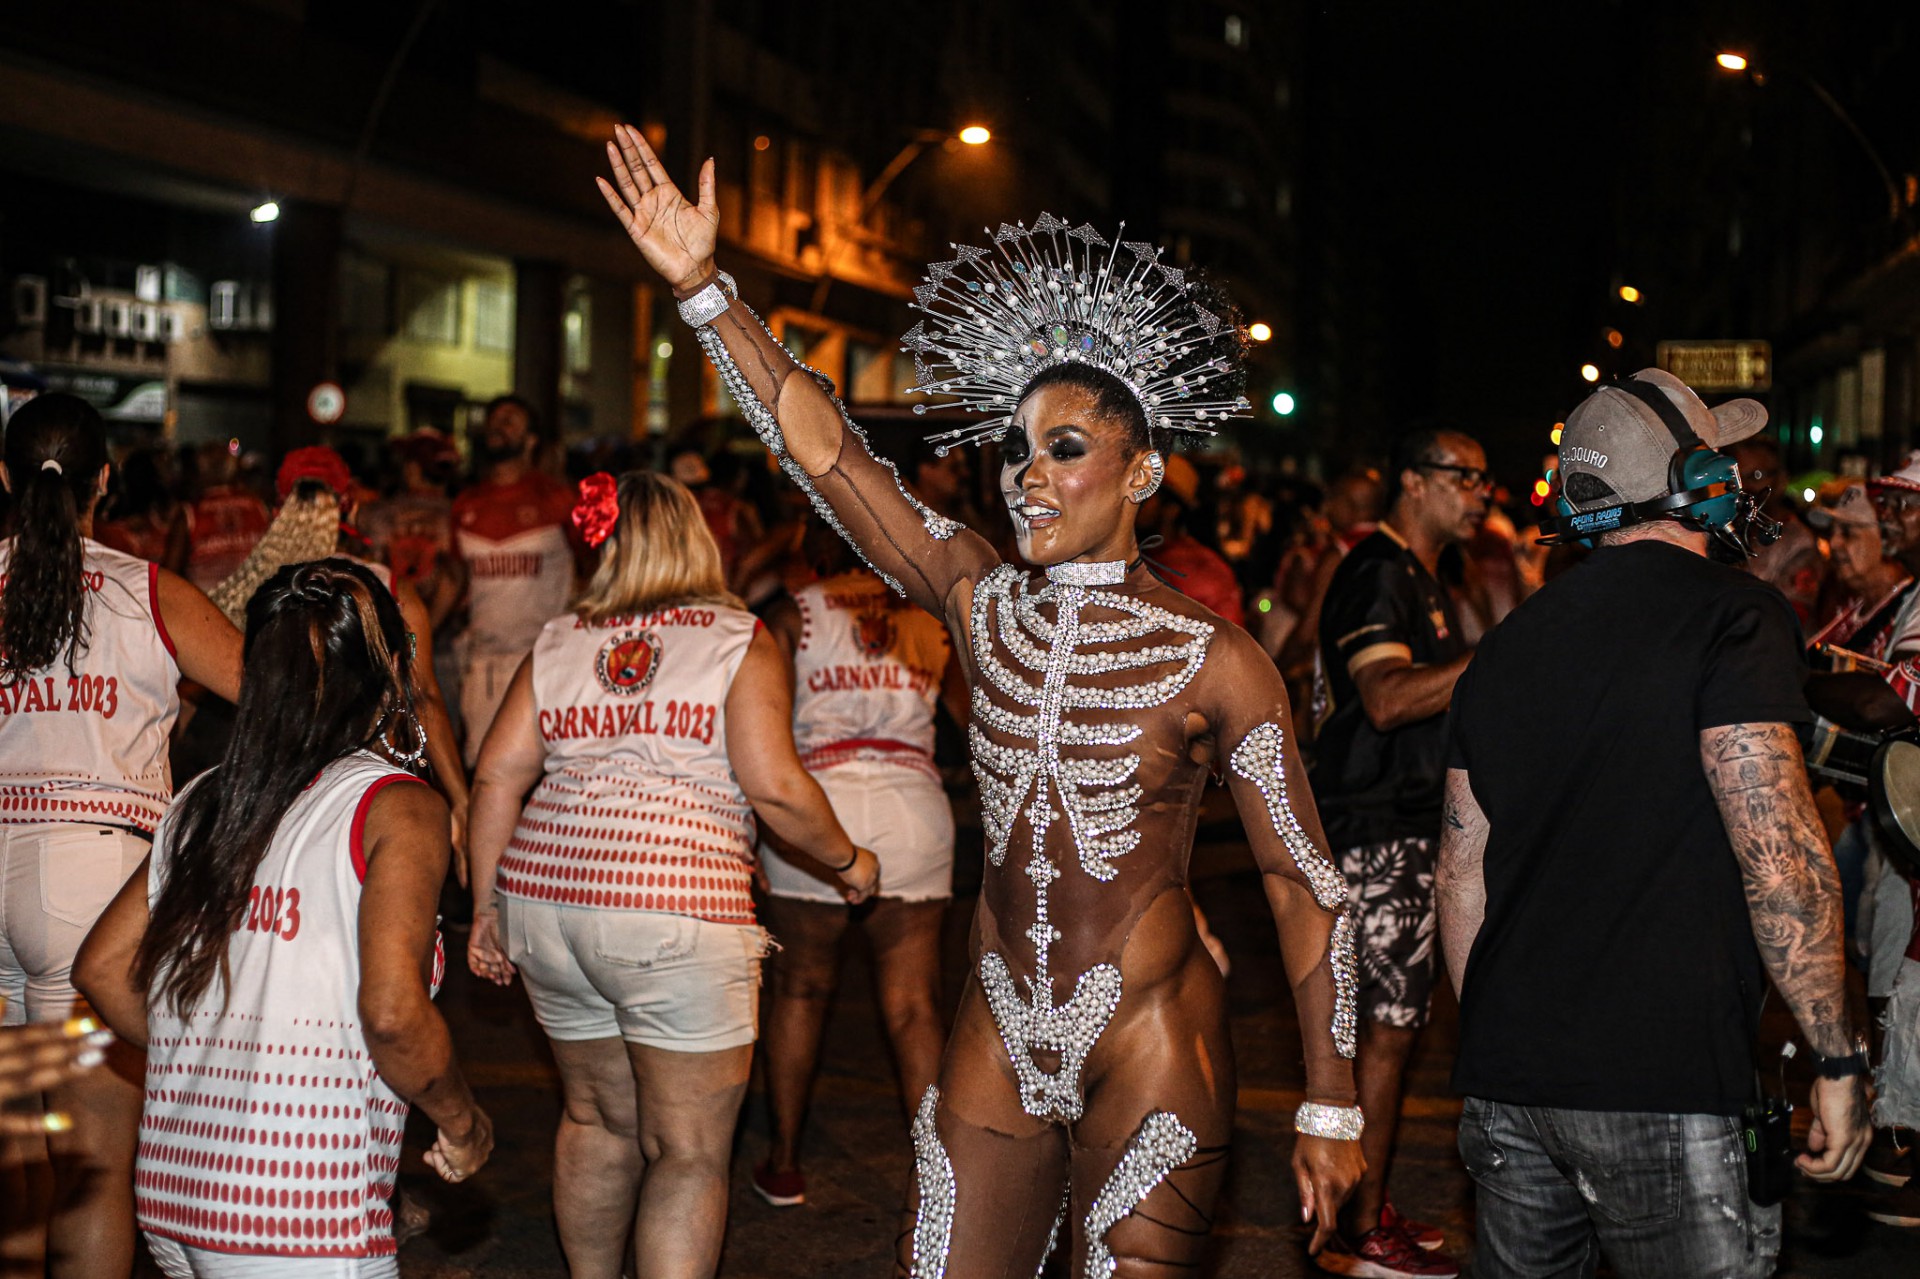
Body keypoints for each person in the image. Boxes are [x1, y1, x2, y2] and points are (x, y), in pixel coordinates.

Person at [598, 124, 1361, 1272]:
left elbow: (1303, 887)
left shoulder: (1221, 657)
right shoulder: (974, 595)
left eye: (1063, 448)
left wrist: (1333, 1105)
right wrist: (708, 294)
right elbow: (832, 457)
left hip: (1152, 1035)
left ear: (1142, 471)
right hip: (995, 1023)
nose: (1026, 472)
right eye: (1017, 447)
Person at [1436, 369, 1869, 1276]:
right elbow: (1779, 852)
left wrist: (1508, 1044)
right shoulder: (1736, 616)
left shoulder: (1508, 644)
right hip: (1663, 1081)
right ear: (1696, 478)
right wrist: (1835, 1056)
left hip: (1510, 1081)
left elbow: (1460, 869)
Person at [465, 470, 878, 1279]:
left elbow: (496, 776)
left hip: (549, 903)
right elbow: (775, 787)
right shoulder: (734, 638)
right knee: (687, 1152)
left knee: (595, 1119)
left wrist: (487, 905)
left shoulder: (561, 639)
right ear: (695, 537)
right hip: (675, 907)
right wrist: (848, 860)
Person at [74, 559, 494, 1277]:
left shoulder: (206, 800)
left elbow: (102, 968)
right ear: (393, 670)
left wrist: (207, 1051)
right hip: (300, 1211)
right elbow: (392, 1012)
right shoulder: (395, 807)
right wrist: (462, 1120)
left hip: (177, 1195)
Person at [0, 394, 243, 1279]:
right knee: (95, 1167)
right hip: (92, 889)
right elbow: (272, 699)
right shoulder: (149, 592)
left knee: (20, 1154)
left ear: (4, 477)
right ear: (105, 479)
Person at [1307, 428, 1486, 1275]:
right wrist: (1492, 657)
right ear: (1413, 482)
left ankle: (1364, 1203)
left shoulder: (1421, 575)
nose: (1481, 492)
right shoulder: (1378, 569)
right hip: (1373, 828)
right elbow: (1382, 699)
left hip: (1402, 825)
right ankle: (1350, 1229)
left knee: (1395, 1029)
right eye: (1465, 476)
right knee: (1380, 1030)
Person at [752, 524, 961, 1208]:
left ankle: (784, 1161)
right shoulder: (931, 616)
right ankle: (937, 1173)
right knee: (914, 1005)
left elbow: (765, 733)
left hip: (818, 811)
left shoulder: (791, 615)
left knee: (800, 991)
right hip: (913, 806)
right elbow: (973, 712)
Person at [208, 447, 472, 872]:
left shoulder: (252, 595)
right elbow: (423, 697)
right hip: (367, 795)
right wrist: (460, 800)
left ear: (278, 507)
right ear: (348, 506)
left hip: (273, 794)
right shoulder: (385, 589)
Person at [451, 394, 580, 765]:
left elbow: (590, 570)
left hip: (544, 659)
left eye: (510, 420)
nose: (497, 426)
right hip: (485, 665)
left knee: (548, 772)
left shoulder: (556, 499)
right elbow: (458, 581)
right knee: (486, 769)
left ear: (531, 439)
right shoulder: (466, 504)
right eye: (494, 419)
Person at [1137, 453, 1246, 626]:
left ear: (1171, 509)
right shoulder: (1138, 558)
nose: (1133, 502)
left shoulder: (1200, 571)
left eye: (1145, 495)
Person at [1732, 434, 1826, 629]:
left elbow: (1793, 617)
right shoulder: (1733, 530)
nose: (1746, 488)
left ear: (1780, 479)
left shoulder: (1798, 542)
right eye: (1738, 478)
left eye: (1756, 476)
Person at [175, 441, 271, 594]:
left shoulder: (190, 514)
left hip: (207, 609)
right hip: (252, 606)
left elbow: (170, 574)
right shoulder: (257, 506)